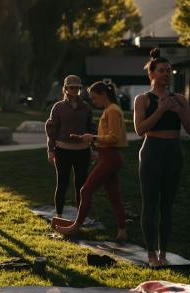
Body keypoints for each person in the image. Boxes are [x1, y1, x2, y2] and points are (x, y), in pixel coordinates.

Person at [133, 48, 190, 267]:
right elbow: (139, 129)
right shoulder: (143, 99)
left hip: (174, 151)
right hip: (152, 151)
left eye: (169, 70)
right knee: (150, 203)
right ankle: (151, 255)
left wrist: (180, 112)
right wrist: (160, 110)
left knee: (167, 205)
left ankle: (163, 253)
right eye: (163, 70)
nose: (167, 74)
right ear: (152, 74)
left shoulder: (181, 99)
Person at [53, 81, 128, 242]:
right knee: (114, 195)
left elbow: (114, 138)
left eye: (95, 98)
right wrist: (86, 138)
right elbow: (106, 138)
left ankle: (75, 226)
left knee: (85, 191)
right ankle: (122, 231)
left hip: (110, 157)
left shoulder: (112, 111)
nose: (93, 102)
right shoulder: (110, 110)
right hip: (107, 156)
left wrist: (92, 137)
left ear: (103, 95)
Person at [45, 75, 95, 217]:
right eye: (71, 87)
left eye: (77, 88)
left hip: (83, 151)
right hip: (62, 151)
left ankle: (81, 217)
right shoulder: (59, 107)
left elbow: (91, 128)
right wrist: (50, 150)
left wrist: (94, 148)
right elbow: (51, 129)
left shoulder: (86, 107)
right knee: (62, 184)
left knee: (81, 186)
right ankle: (59, 215)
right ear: (65, 88)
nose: (74, 90)